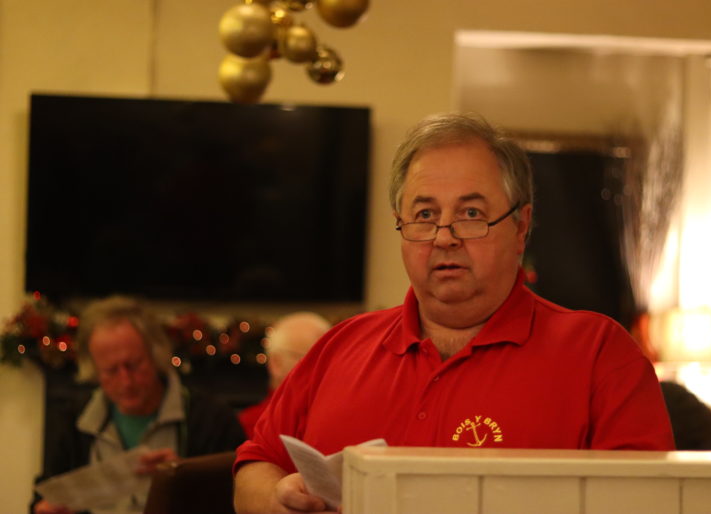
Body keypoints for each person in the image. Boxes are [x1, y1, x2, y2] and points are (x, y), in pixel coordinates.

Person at [233, 112, 675, 513]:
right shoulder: (338, 345)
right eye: (425, 214)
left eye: (470, 213)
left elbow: (648, 503)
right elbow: (255, 465)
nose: (444, 237)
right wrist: (277, 498)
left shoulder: (600, 354)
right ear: (401, 226)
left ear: (520, 226)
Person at [32, 296, 246, 514]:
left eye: (134, 365)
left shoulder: (212, 419)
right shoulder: (72, 420)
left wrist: (184, 479)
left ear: (155, 355)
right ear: (94, 370)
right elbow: (42, 497)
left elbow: (241, 500)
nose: (126, 381)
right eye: (111, 370)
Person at [239, 312, 331, 438]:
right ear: (276, 363)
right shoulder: (253, 426)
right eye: (312, 360)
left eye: (330, 359)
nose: (326, 370)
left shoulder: (337, 418)